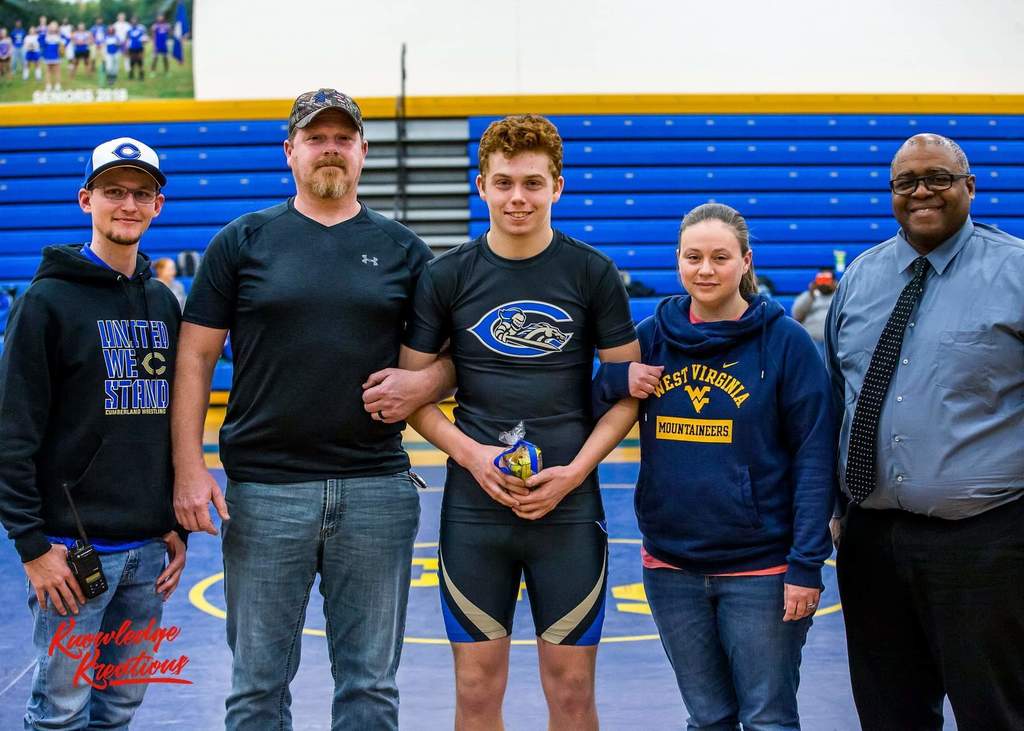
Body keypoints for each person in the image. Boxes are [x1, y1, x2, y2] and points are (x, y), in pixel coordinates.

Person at [172, 88, 452, 730]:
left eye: (343, 138)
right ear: (290, 151)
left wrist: (424, 384)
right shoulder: (243, 241)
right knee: (256, 689)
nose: (330, 148)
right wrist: (191, 468)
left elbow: (455, 356)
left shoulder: (405, 250)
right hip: (265, 492)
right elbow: (194, 358)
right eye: (316, 138)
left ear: (362, 152)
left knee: (370, 688)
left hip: (376, 490)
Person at [399, 114, 640, 731]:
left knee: (572, 693)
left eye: (533, 184)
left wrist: (574, 473)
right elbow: (412, 396)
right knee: (476, 692)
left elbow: (625, 393)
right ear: (481, 185)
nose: (517, 199)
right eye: (503, 183)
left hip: (569, 508)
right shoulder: (446, 276)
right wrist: (474, 457)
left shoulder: (591, 273)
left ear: (558, 187)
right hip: (476, 509)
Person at [591, 202, 834, 730]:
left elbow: (816, 455)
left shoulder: (786, 342)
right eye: (693, 257)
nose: (706, 269)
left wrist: (806, 564)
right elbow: (594, 400)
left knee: (767, 718)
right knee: (706, 718)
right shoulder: (654, 334)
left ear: (746, 262)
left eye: (720, 257)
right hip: (671, 567)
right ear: (677, 260)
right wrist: (616, 381)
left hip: (762, 569)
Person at [825, 132, 1024, 730]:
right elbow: (840, 396)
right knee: (890, 712)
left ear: (969, 186)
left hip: (988, 541)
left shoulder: (1015, 272)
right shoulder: (860, 278)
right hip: (871, 539)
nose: (922, 192)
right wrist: (837, 511)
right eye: (906, 182)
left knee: (996, 711)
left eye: (937, 177)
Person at [0, 137, 187, 730]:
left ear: (158, 205)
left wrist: (172, 525)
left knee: (119, 709)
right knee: (60, 711)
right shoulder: (44, 302)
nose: (127, 204)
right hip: (70, 553)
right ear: (87, 200)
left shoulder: (164, 303)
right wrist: (31, 547)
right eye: (113, 192)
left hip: (147, 555)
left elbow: (165, 425)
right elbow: (13, 432)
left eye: (141, 193)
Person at [791, 267, 836, 357]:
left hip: (835, 342)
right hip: (813, 341)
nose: (824, 284)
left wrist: (837, 289)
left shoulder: (839, 296)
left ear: (834, 281)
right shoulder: (809, 296)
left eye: (827, 280)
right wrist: (811, 295)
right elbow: (796, 315)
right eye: (821, 280)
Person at [39, 21, 63, 92]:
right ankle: (48, 85)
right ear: (49, 27)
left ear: (57, 28)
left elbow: (66, 41)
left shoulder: (59, 35)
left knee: (57, 70)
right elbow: (40, 42)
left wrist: (61, 47)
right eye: (51, 26)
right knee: (48, 71)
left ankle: (57, 85)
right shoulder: (45, 35)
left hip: (56, 54)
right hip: (47, 54)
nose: (53, 28)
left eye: (54, 26)